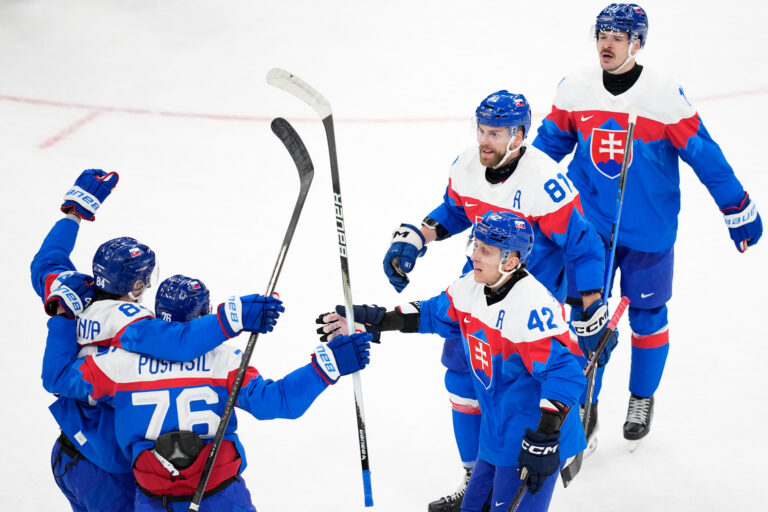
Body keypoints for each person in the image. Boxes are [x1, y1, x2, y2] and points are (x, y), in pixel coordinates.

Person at [531, 3, 763, 446]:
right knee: (585, 316)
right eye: (602, 35)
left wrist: (736, 206)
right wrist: (514, 193)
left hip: (650, 232)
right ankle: (585, 401)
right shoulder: (576, 88)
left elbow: (704, 153)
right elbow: (546, 150)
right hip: (589, 230)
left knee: (648, 316)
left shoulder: (663, 95)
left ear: (637, 43)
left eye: (617, 37)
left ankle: (641, 397)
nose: (606, 44)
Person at [381, 91, 609, 509]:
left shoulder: (544, 183)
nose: (484, 141)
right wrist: (418, 236)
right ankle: (475, 480)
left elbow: (584, 244)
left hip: (526, 304)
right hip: (480, 289)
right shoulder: (468, 165)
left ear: (518, 136)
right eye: (482, 130)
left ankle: (544, 449)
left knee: (519, 393)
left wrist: (592, 304)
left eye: (495, 134)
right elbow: (455, 210)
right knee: (461, 377)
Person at [32, 169, 283, 511]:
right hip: (107, 469)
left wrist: (74, 214)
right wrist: (233, 318)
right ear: (135, 285)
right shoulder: (131, 324)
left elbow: (46, 262)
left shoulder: (69, 292)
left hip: (67, 454)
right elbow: (179, 343)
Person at [42, 274, 372, 511]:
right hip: (220, 495)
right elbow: (278, 402)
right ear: (202, 315)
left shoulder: (119, 363)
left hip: (154, 499)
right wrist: (327, 366)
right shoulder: (223, 361)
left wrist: (63, 315)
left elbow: (57, 379)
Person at [324, 212, 586, 512]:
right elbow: (432, 313)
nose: (474, 255)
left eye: (485, 250)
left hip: (532, 437)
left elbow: (564, 373)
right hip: (498, 430)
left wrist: (545, 437)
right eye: (476, 245)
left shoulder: (531, 307)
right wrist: (377, 320)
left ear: (510, 261)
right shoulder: (472, 286)